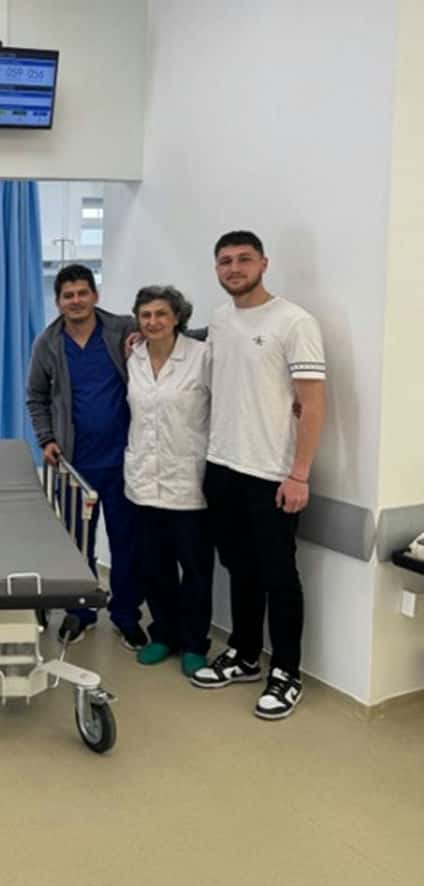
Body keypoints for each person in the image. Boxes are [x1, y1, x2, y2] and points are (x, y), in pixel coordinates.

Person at [191, 231, 326, 721]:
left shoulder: (294, 321)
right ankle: (245, 654)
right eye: (224, 261)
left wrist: (299, 474)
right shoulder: (220, 320)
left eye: (243, 259)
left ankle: (287, 671)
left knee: (279, 575)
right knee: (240, 569)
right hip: (223, 465)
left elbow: (313, 403)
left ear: (263, 263)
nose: (234, 268)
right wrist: (147, 337)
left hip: (271, 473)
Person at [26, 264, 147, 649]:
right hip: (74, 465)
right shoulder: (48, 343)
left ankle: (126, 615)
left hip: (126, 461)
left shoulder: (123, 330)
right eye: (68, 295)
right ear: (58, 301)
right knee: (78, 544)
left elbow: (170, 335)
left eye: (82, 293)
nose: (76, 301)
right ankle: (80, 612)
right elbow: (36, 397)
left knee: (127, 543)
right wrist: (46, 438)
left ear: (95, 295)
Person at [124, 286, 213, 679]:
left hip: (189, 482)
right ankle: (163, 634)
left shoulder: (201, 357)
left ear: (178, 317)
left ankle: (194, 643)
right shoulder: (133, 357)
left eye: (161, 314)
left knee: (195, 570)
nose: (153, 322)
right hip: (144, 481)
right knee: (154, 566)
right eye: (145, 315)